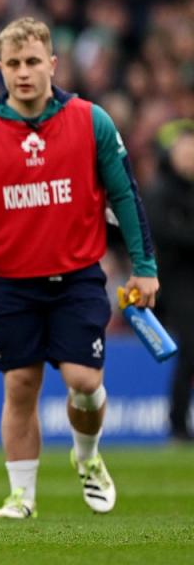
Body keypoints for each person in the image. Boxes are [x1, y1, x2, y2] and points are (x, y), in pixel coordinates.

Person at [0, 17, 160, 520]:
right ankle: (22, 497)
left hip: (77, 276)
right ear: (0, 69)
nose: (23, 72)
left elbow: (124, 194)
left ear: (52, 64)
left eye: (33, 61)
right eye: (13, 64)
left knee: (83, 380)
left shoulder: (90, 120)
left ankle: (87, 457)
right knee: (20, 387)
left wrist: (144, 266)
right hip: (11, 283)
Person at [146, 120, 194, 442]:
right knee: (190, 346)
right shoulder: (159, 191)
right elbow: (165, 233)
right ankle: (177, 423)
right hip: (176, 280)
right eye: (185, 151)